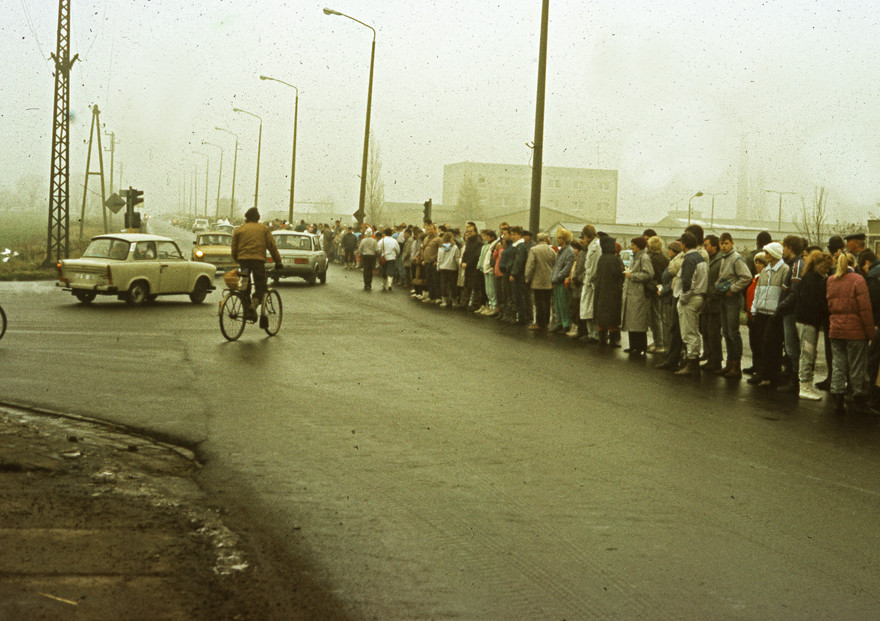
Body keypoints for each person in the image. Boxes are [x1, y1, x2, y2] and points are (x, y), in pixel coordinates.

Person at [826, 252, 876, 414]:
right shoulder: (858, 280)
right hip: (855, 331)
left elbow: (830, 306)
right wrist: (870, 334)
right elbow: (865, 309)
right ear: (853, 264)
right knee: (857, 366)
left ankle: (838, 399)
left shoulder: (831, 280)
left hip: (836, 330)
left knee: (838, 364)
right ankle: (859, 398)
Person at [747, 242, 790, 388]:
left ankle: (771, 375)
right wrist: (754, 310)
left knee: (771, 345)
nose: (766, 256)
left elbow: (783, 293)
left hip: (774, 314)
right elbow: (758, 292)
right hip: (761, 312)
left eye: (768, 253)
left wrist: (778, 310)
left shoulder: (785, 270)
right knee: (759, 344)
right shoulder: (765, 271)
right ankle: (761, 373)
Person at [230, 207, 283, 322]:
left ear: (246, 218)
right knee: (261, 285)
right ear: (258, 218)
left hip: (243, 261)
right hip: (258, 261)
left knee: (243, 285)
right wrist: (278, 262)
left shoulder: (239, 230)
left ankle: (246, 307)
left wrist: (237, 259)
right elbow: (272, 247)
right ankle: (254, 304)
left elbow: (234, 249)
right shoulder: (264, 229)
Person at [794, 251, 832, 401]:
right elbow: (814, 303)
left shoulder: (810, 277)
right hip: (807, 321)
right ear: (816, 264)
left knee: (808, 353)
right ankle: (804, 386)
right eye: (824, 266)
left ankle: (806, 384)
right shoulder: (812, 280)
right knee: (807, 354)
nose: (826, 270)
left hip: (807, 321)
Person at [714, 233, 752, 378]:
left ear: (732, 243)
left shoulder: (736, 258)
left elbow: (746, 277)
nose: (723, 246)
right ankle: (729, 364)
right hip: (723, 298)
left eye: (726, 243)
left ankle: (736, 366)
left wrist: (733, 289)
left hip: (732, 299)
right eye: (721, 243)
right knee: (726, 332)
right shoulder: (724, 258)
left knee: (733, 332)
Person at [674, 232, 707, 375]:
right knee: (693, 331)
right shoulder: (700, 258)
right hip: (699, 296)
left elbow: (687, 281)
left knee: (688, 333)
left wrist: (683, 298)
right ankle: (693, 362)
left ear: (684, 244)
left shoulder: (689, 259)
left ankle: (691, 363)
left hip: (690, 298)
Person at [621, 236, 653, 356]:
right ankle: (633, 345)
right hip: (632, 293)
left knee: (638, 321)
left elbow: (648, 274)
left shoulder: (644, 258)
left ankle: (641, 346)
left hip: (638, 293)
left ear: (639, 246)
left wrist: (632, 275)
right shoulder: (635, 257)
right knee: (632, 321)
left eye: (633, 245)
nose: (631, 247)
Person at [593, 235, 624, 347]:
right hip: (613, 291)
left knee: (601, 317)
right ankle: (612, 340)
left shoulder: (602, 258)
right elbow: (619, 275)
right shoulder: (614, 259)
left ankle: (602, 340)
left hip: (601, 291)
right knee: (612, 318)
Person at [524, 232, 556, 330]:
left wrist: (527, 278)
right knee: (547, 302)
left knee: (539, 302)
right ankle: (545, 322)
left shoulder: (533, 250)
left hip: (537, 280)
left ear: (538, 240)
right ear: (547, 239)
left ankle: (538, 322)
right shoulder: (551, 251)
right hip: (549, 280)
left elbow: (530, 265)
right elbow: (555, 264)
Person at [550, 228, 576, 333]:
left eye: (559, 237)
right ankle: (560, 323)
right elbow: (556, 266)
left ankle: (566, 324)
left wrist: (556, 277)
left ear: (564, 239)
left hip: (561, 282)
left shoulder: (569, 251)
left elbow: (566, 268)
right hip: (557, 281)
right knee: (558, 304)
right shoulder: (562, 251)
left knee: (564, 304)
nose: (558, 239)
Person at [646, 236, 668, 353]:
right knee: (660, 316)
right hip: (662, 289)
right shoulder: (664, 258)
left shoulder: (653, 259)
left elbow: (655, 275)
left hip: (655, 290)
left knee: (655, 317)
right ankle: (659, 341)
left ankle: (659, 342)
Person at [579, 226, 601, 342]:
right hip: (588, 280)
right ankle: (590, 333)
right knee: (587, 308)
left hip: (592, 282)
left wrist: (590, 277)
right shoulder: (592, 246)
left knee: (591, 308)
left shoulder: (596, 246)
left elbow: (594, 266)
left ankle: (594, 334)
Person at [437, 232, 461, 308]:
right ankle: (454, 301)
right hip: (452, 268)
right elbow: (457, 258)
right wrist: (459, 268)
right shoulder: (455, 248)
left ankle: (444, 300)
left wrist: (438, 267)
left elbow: (439, 259)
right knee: (452, 285)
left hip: (443, 268)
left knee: (443, 284)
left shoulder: (440, 248)